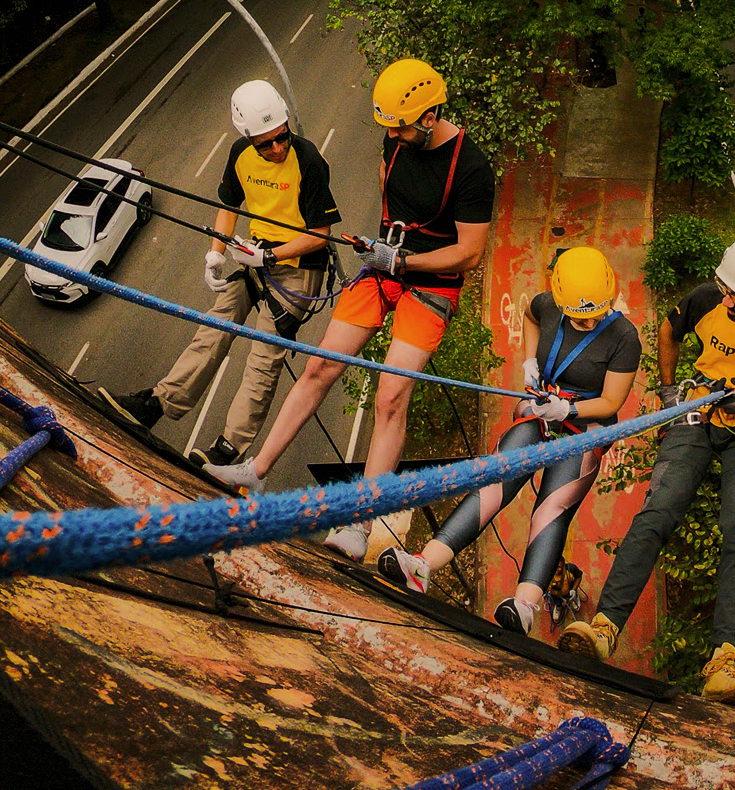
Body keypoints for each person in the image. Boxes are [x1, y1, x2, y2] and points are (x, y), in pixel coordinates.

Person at [206, 59, 496, 563]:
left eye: (401, 126)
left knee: (389, 397)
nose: (393, 136)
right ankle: (255, 472)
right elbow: (392, 199)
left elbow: (470, 253)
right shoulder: (396, 141)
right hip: (382, 269)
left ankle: (360, 524)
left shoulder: (470, 168)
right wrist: (379, 249)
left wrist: (405, 259)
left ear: (430, 116)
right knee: (320, 366)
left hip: (432, 287)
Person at [556, 227, 735, 708]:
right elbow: (668, 331)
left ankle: (724, 663)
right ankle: (604, 628)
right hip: (698, 410)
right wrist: (668, 389)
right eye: (725, 289)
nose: (727, 300)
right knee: (659, 510)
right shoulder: (708, 299)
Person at [376, 247, 641, 635]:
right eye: (582, 316)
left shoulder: (623, 336)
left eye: (597, 314)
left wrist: (567, 411)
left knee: (551, 507)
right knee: (493, 480)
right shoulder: (548, 304)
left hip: (585, 428)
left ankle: (525, 604)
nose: (591, 321)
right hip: (540, 410)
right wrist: (530, 361)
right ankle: (423, 564)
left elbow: (612, 401)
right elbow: (532, 317)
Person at [100, 80, 340, 466]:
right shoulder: (241, 153)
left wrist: (271, 258)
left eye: (282, 137)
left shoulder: (308, 160)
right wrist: (215, 253)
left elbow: (320, 235)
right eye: (266, 143)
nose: (277, 148)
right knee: (213, 328)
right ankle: (157, 404)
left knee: (263, 358)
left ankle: (229, 447)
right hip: (255, 256)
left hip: (296, 269)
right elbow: (229, 203)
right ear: (247, 137)